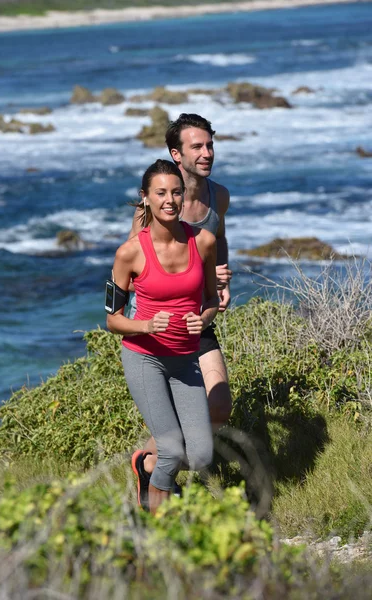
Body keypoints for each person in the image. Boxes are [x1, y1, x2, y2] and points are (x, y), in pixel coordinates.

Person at [107, 159, 219, 514]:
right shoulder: (129, 253)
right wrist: (145, 326)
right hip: (145, 358)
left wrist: (203, 320)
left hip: (185, 360)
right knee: (171, 449)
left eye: (175, 192)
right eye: (160, 193)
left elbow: (213, 300)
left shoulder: (203, 241)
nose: (169, 200)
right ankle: (160, 528)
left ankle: (146, 467)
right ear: (145, 198)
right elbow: (112, 320)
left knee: (200, 456)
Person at [129, 114, 232, 445]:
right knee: (170, 427)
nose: (207, 153)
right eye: (197, 146)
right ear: (177, 154)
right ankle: (157, 470)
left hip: (196, 318)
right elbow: (132, 271)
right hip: (153, 322)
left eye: (210, 145)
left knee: (219, 407)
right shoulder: (154, 206)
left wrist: (220, 280)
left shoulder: (219, 197)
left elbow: (219, 238)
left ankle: (171, 467)